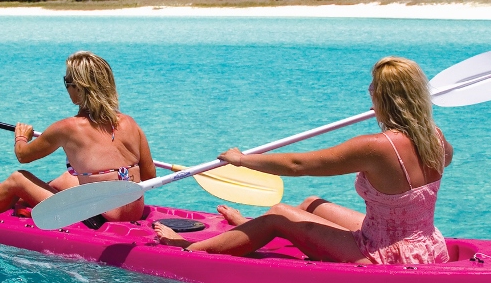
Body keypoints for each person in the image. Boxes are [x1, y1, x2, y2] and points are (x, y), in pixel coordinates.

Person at [155, 56, 451, 264]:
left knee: (278, 215)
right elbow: (440, 163)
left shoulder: (376, 147)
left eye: (373, 87)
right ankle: (248, 228)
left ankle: (189, 248)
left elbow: (300, 165)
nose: (369, 92)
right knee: (311, 204)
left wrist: (243, 160)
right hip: (427, 245)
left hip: (383, 254)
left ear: (384, 99)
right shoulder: (435, 138)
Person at [0, 51, 155, 223]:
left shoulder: (68, 128)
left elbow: (23, 156)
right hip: (133, 213)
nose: (66, 87)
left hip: (99, 217)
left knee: (18, 178)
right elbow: (149, 176)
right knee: (66, 179)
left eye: (67, 82)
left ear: (80, 88)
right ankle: (6, 197)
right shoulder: (130, 123)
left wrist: (21, 136)